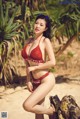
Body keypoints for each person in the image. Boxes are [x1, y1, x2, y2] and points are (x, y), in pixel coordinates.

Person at [21, 14, 56, 119]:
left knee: (27, 105)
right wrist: (28, 79)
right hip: (35, 81)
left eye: (41, 25)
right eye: (36, 23)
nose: (37, 26)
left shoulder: (45, 41)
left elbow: (53, 62)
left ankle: (52, 111)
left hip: (46, 79)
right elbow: (27, 63)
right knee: (38, 112)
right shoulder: (28, 41)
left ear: (45, 28)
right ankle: (51, 112)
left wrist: (35, 68)